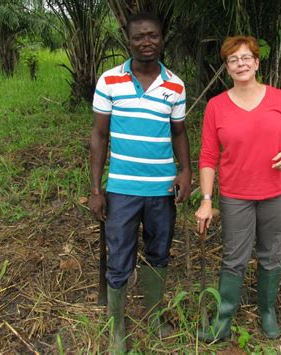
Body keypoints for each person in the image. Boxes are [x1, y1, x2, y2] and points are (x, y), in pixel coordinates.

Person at [88, 12, 191, 351]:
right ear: (128, 41)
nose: (146, 42)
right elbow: (99, 136)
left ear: (163, 39)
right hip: (121, 190)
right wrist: (95, 190)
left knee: (159, 252)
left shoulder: (175, 84)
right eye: (139, 37)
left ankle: (154, 314)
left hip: (161, 189)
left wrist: (185, 172)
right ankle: (118, 328)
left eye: (153, 36)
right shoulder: (109, 80)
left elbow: (179, 132)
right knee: (119, 258)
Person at [195, 35, 281, 341]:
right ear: (227, 67)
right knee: (234, 256)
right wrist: (207, 200)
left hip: (279, 192)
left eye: (246, 58)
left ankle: (267, 311)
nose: (240, 64)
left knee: (271, 254)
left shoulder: (280, 99)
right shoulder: (216, 106)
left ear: (257, 63)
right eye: (233, 60)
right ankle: (223, 318)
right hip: (236, 196)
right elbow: (208, 156)